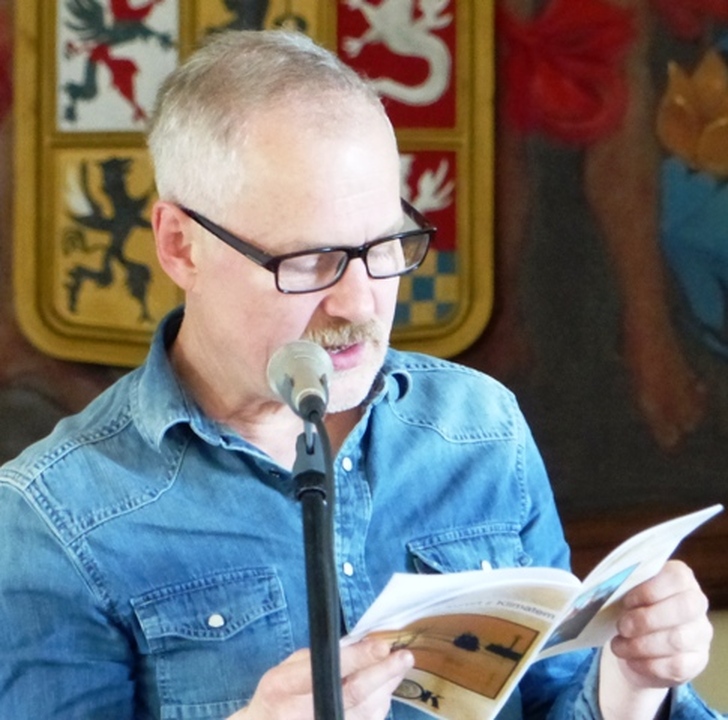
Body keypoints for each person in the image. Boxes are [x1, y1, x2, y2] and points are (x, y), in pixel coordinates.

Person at [0, 29, 718, 720]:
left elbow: (551, 699)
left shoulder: (478, 429)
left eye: (384, 246)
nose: (357, 303)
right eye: (308, 260)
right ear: (181, 246)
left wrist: (633, 683)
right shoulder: (53, 517)